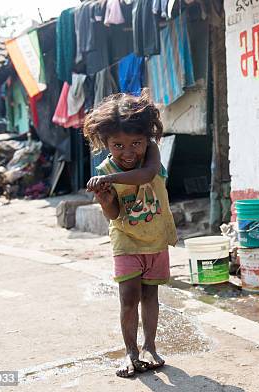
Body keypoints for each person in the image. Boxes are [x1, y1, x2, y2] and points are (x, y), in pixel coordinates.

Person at [83, 89, 177, 378]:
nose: (128, 152)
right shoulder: (105, 169)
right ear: (106, 143)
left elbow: (147, 175)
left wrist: (109, 180)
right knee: (128, 298)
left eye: (135, 143)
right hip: (126, 240)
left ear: (146, 138)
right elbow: (113, 214)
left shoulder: (151, 152)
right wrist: (105, 198)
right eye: (118, 145)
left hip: (156, 237)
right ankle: (131, 352)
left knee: (151, 295)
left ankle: (150, 346)